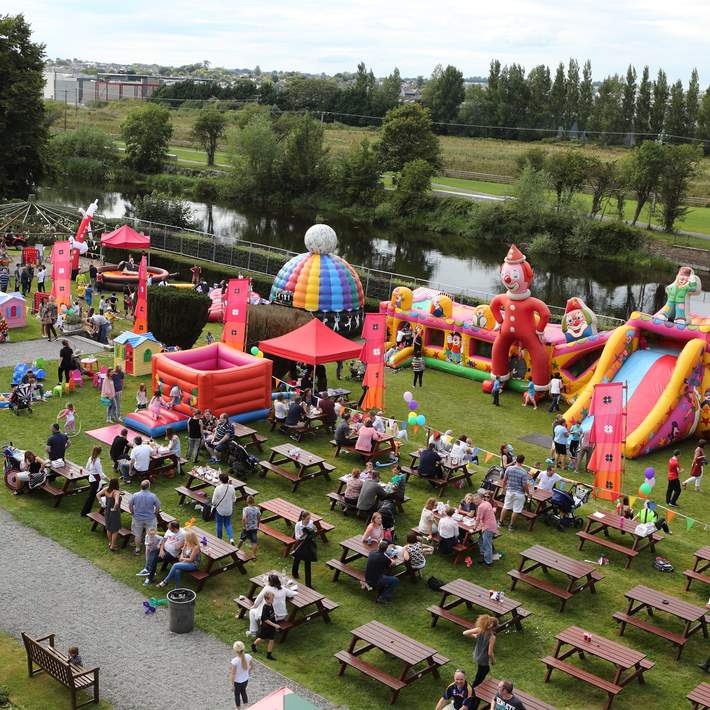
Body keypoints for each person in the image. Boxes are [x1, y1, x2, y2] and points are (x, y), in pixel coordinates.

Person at [140, 520, 185, 585]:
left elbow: (186, 543)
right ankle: (149, 574)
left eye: (170, 528)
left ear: (174, 528)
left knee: (154, 559)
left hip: (171, 554)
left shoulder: (183, 534)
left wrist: (180, 546)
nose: (168, 529)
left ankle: (149, 577)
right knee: (152, 553)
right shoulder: (169, 530)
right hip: (164, 549)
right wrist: (161, 550)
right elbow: (164, 540)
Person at [463, 615, 498, 691]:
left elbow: (465, 633)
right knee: (484, 671)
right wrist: (493, 660)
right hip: (483, 659)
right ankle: (473, 689)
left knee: (482, 670)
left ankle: (475, 686)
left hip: (476, 654)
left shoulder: (479, 629)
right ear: (494, 627)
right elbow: (489, 653)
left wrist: (474, 636)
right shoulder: (492, 637)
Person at [499, 454, 531, 532]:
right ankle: (511, 526)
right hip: (519, 493)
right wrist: (528, 493)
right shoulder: (524, 472)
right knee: (516, 510)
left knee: (506, 507)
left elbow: (504, 480)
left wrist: (503, 488)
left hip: (509, 491)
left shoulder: (509, 468)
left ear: (516, 459)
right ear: (523, 461)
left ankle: (500, 523)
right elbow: (524, 485)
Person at [129, 479, 161, 555]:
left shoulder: (135, 495)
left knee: (137, 534)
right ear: (149, 486)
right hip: (150, 518)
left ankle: (137, 549)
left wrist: (133, 513)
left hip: (137, 518)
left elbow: (130, 505)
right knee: (151, 534)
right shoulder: (153, 496)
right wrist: (155, 514)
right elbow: (158, 506)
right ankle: (150, 549)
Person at [291, 510, 317, 588]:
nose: (309, 520)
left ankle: (308, 584)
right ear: (303, 518)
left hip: (308, 545)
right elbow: (297, 536)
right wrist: (304, 535)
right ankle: (295, 573)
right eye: (307, 519)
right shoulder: (298, 525)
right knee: (296, 559)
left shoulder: (311, 523)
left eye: (309, 518)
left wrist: (308, 535)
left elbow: (312, 534)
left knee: (308, 563)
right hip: (300, 544)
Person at [250, 591, 279, 660]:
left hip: (271, 626)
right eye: (271, 599)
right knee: (262, 638)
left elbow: (271, 613)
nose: (272, 600)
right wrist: (274, 625)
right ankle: (253, 645)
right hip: (266, 627)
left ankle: (269, 654)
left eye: (273, 599)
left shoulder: (270, 605)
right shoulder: (265, 607)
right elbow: (265, 619)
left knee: (271, 639)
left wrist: (275, 615)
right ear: (266, 599)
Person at [473, 492, 499, 566]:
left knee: (487, 545)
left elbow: (478, 519)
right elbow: (485, 516)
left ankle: (488, 562)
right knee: (481, 541)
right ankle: (483, 556)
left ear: (481, 498)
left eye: (477, 499)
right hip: (492, 525)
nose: (475, 501)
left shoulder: (481, 507)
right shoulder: (487, 503)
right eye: (474, 500)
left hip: (488, 528)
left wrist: (474, 527)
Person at [80, 446, 106, 517]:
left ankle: (86, 511)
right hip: (95, 479)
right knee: (91, 497)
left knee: (91, 496)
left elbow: (87, 468)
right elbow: (100, 473)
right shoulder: (97, 462)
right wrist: (107, 478)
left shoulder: (90, 458)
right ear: (100, 452)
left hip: (91, 477)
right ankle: (85, 512)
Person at [213, 473, 237, 544]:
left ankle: (219, 539)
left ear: (220, 480)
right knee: (228, 524)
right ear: (228, 480)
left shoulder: (218, 488)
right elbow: (234, 499)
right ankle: (231, 538)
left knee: (219, 524)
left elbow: (213, 501)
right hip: (229, 509)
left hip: (220, 510)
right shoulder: (231, 488)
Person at [98, 478, 122, 551]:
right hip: (114, 512)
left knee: (109, 528)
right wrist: (115, 509)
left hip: (107, 511)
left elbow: (98, 494)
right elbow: (117, 502)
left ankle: (110, 542)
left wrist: (102, 504)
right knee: (115, 529)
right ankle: (113, 545)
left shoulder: (106, 489)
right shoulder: (116, 492)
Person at [230, 640, 253, 709]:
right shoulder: (248, 656)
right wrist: (248, 673)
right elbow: (251, 666)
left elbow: (233, 674)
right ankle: (246, 706)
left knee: (237, 695)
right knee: (243, 692)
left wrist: (232, 685)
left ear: (235, 650)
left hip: (237, 682)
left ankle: (238, 708)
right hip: (245, 680)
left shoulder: (235, 661)